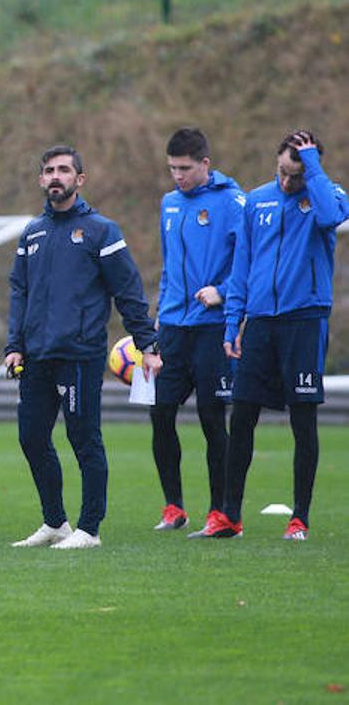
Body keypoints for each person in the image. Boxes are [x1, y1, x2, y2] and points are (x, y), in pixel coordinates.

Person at [4, 145, 161, 550]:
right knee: (31, 438)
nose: (55, 176)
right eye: (49, 171)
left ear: (80, 179)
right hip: (36, 354)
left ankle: (89, 529)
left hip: (79, 353)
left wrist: (147, 343)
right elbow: (20, 292)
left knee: (83, 438)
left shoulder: (101, 231)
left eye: (63, 170)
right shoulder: (32, 233)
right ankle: (55, 523)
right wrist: (14, 345)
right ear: (41, 180)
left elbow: (127, 291)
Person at [203, 131, 347, 541]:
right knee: (243, 414)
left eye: (296, 176)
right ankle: (230, 515)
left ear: (312, 170)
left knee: (304, 419)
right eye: (282, 173)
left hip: (305, 320)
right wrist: (234, 322)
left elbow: (328, 218)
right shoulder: (256, 200)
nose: (287, 183)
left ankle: (299, 518)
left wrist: (311, 169)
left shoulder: (329, 194)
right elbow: (243, 266)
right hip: (261, 322)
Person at [151, 128, 245, 536]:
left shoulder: (233, 202)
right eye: (172, 169)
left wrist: (222, 293)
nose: (178, 176)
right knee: (160, 413)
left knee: (211, 417)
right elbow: (169, 265)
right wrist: (159, 315)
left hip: (211, 328)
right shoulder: (169, 203)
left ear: (205, 163)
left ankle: (220, 512)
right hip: (173, 326)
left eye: (185, 168)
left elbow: (250, 262)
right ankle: (174, 506)